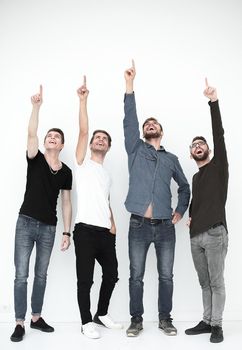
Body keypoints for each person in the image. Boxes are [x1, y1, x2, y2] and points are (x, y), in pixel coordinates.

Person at [123, 61, 190, 337]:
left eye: (154, 123)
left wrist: (180, 210)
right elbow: (129, 119)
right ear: (143, 131)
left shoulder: (172, 159)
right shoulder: (135, 149)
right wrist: (129, 86)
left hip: (165, 226)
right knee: (135, 276)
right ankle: (136, 320)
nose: (149, 125)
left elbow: (185, 187)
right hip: (138, 224)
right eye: (147, 124)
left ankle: (165, 319)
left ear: (160, 131)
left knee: (166, 276)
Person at [10, 85, 72, 342]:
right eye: (49, 135)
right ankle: (19, 323)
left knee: (41, 274)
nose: (51, 138)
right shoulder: (34, 158)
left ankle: (36, 318)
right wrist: (36, 107)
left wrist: (67, 232)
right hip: (25, 222)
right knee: (21, 275)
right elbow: (31, 133)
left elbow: (66, 203)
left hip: (49, 227)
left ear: (62, 144)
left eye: (56, 136)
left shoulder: (66, 171)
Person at [73, 76, 122, 339]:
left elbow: (106, 200)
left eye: (105, 138)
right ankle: (85, 321)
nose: (100, 140)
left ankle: (101, 314)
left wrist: (113, 222)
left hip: (105, 232)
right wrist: (83, 101)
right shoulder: (82, 163)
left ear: (109, 147)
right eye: (97, 138)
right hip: (85, 231)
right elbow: (82, 131)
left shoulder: (107, 174)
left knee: (112, 274)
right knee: (86, 280)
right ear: (91, 144)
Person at [185, 79, 228, 343]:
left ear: (208, 150)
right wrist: (191, 216)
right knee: (204, 283)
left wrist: (213, 102)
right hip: (196, 237)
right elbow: (198, 201)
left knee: (217, 282)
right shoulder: (196, 177)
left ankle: (218, 326)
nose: (198, 146)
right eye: (194, 145)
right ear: (191, 154)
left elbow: (219, 133)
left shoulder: (218, 166)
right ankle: (206, 320)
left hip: (214, 234)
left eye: (201, 143)